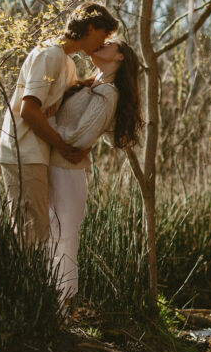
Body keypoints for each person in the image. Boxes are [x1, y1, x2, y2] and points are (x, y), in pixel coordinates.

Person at [0, 3, 119, 244]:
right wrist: (63, 147)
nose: (103, 42)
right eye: (103, 35)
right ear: (91, 27)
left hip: (38, 153)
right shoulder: (49, 54)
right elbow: (29, 111)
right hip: (23, 151)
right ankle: (23, 283)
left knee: (39, 232)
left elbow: (59, 109)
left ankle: (34, 282)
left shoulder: (67, 63)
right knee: (30, 234)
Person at [47, 38, 142, 310]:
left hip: (68, 174)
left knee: (63, 240)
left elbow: (78, 137)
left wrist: (46, 122)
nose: (101, 44)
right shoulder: (88, 85)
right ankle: (44, 306)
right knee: (46, 237)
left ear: (121, 56)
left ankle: (60, 311)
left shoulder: (109, 93)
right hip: (51, 166)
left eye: (109, 43)